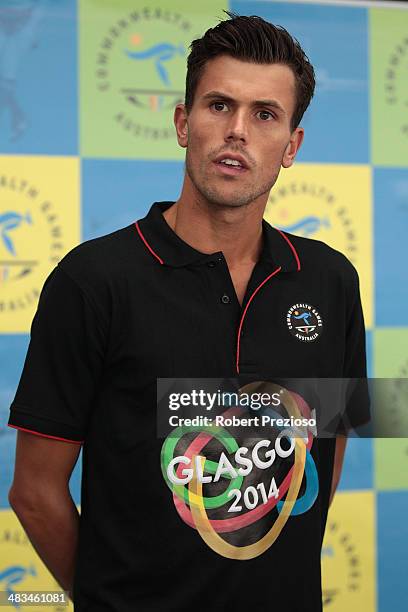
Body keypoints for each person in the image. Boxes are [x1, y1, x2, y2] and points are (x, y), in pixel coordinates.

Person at [7, 12, 369, 611]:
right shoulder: (92, 280)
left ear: (291, 146)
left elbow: (326, 448)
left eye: (265, 114)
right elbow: (34, 491)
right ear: (183, 122)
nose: (238, 132)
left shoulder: (332, 279)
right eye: (219, 105)